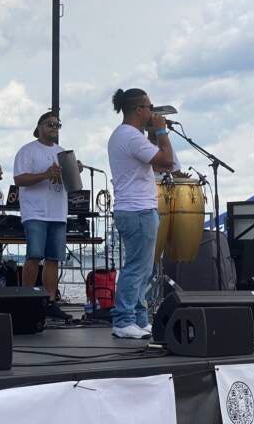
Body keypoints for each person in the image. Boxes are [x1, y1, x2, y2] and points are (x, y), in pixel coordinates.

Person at [107, 88, 173, 339]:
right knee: (137, 268)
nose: (153, 111)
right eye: (150, 107)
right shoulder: (130, 136)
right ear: (138, 109)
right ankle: (123, 320)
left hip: (137, 209)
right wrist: (162, 131)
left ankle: (138, 318)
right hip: (137, 211)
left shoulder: (128, 135)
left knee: (145, 269)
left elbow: (158, 162)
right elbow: (166, 161)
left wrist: (154, 135)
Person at [13, 111, 72, 320]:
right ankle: (26, 301)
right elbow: (19, 179)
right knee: (35, 255)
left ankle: (50, 301)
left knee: (53, 258)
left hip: (58, 212)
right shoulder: (27, 151)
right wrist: (46, 174)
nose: (54, 127)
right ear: (39, 127)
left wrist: (75, 170)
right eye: (50, 124)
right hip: (35, 211)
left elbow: (72, 184)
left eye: (57, 124)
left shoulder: (62, 153)